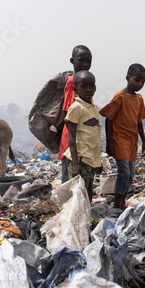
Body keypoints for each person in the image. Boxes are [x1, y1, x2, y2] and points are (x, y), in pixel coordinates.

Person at [100, 63, 145, 210]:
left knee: (131, 173)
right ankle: (117, 204)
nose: (140, 84)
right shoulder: (120, 97)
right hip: (119, 140)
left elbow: (139, 122)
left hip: (132, 141)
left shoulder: (139, 99)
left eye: (143, 82)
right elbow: (109, 118)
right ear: (128, 78)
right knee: (124, 172)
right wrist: (109, 143)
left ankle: (122, 201)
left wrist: (144, 143)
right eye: (137, 80)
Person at [63, 70, 102, 201]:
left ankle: (85, 220)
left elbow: (94, 137)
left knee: (88, 193)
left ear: (95, 87)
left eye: (91, 86)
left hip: (90, 160)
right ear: (75, 89)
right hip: (80, 160)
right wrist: (75, 164)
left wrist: (98, 161)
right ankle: (77, 221)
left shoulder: (94, 107)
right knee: (78, 196)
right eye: (83, 86)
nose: (88, 89)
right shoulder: (76, 108)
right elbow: (71, 137)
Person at [57, 45, 92, 184]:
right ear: (72, 60)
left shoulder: (85, 82)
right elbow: (70, 114)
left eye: (88, 61)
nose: (85, 64)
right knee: (69, 178)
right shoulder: (73, 82)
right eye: (81, 60)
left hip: (79, 139)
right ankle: (66, 205)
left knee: (76, 177)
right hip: (72, 138)